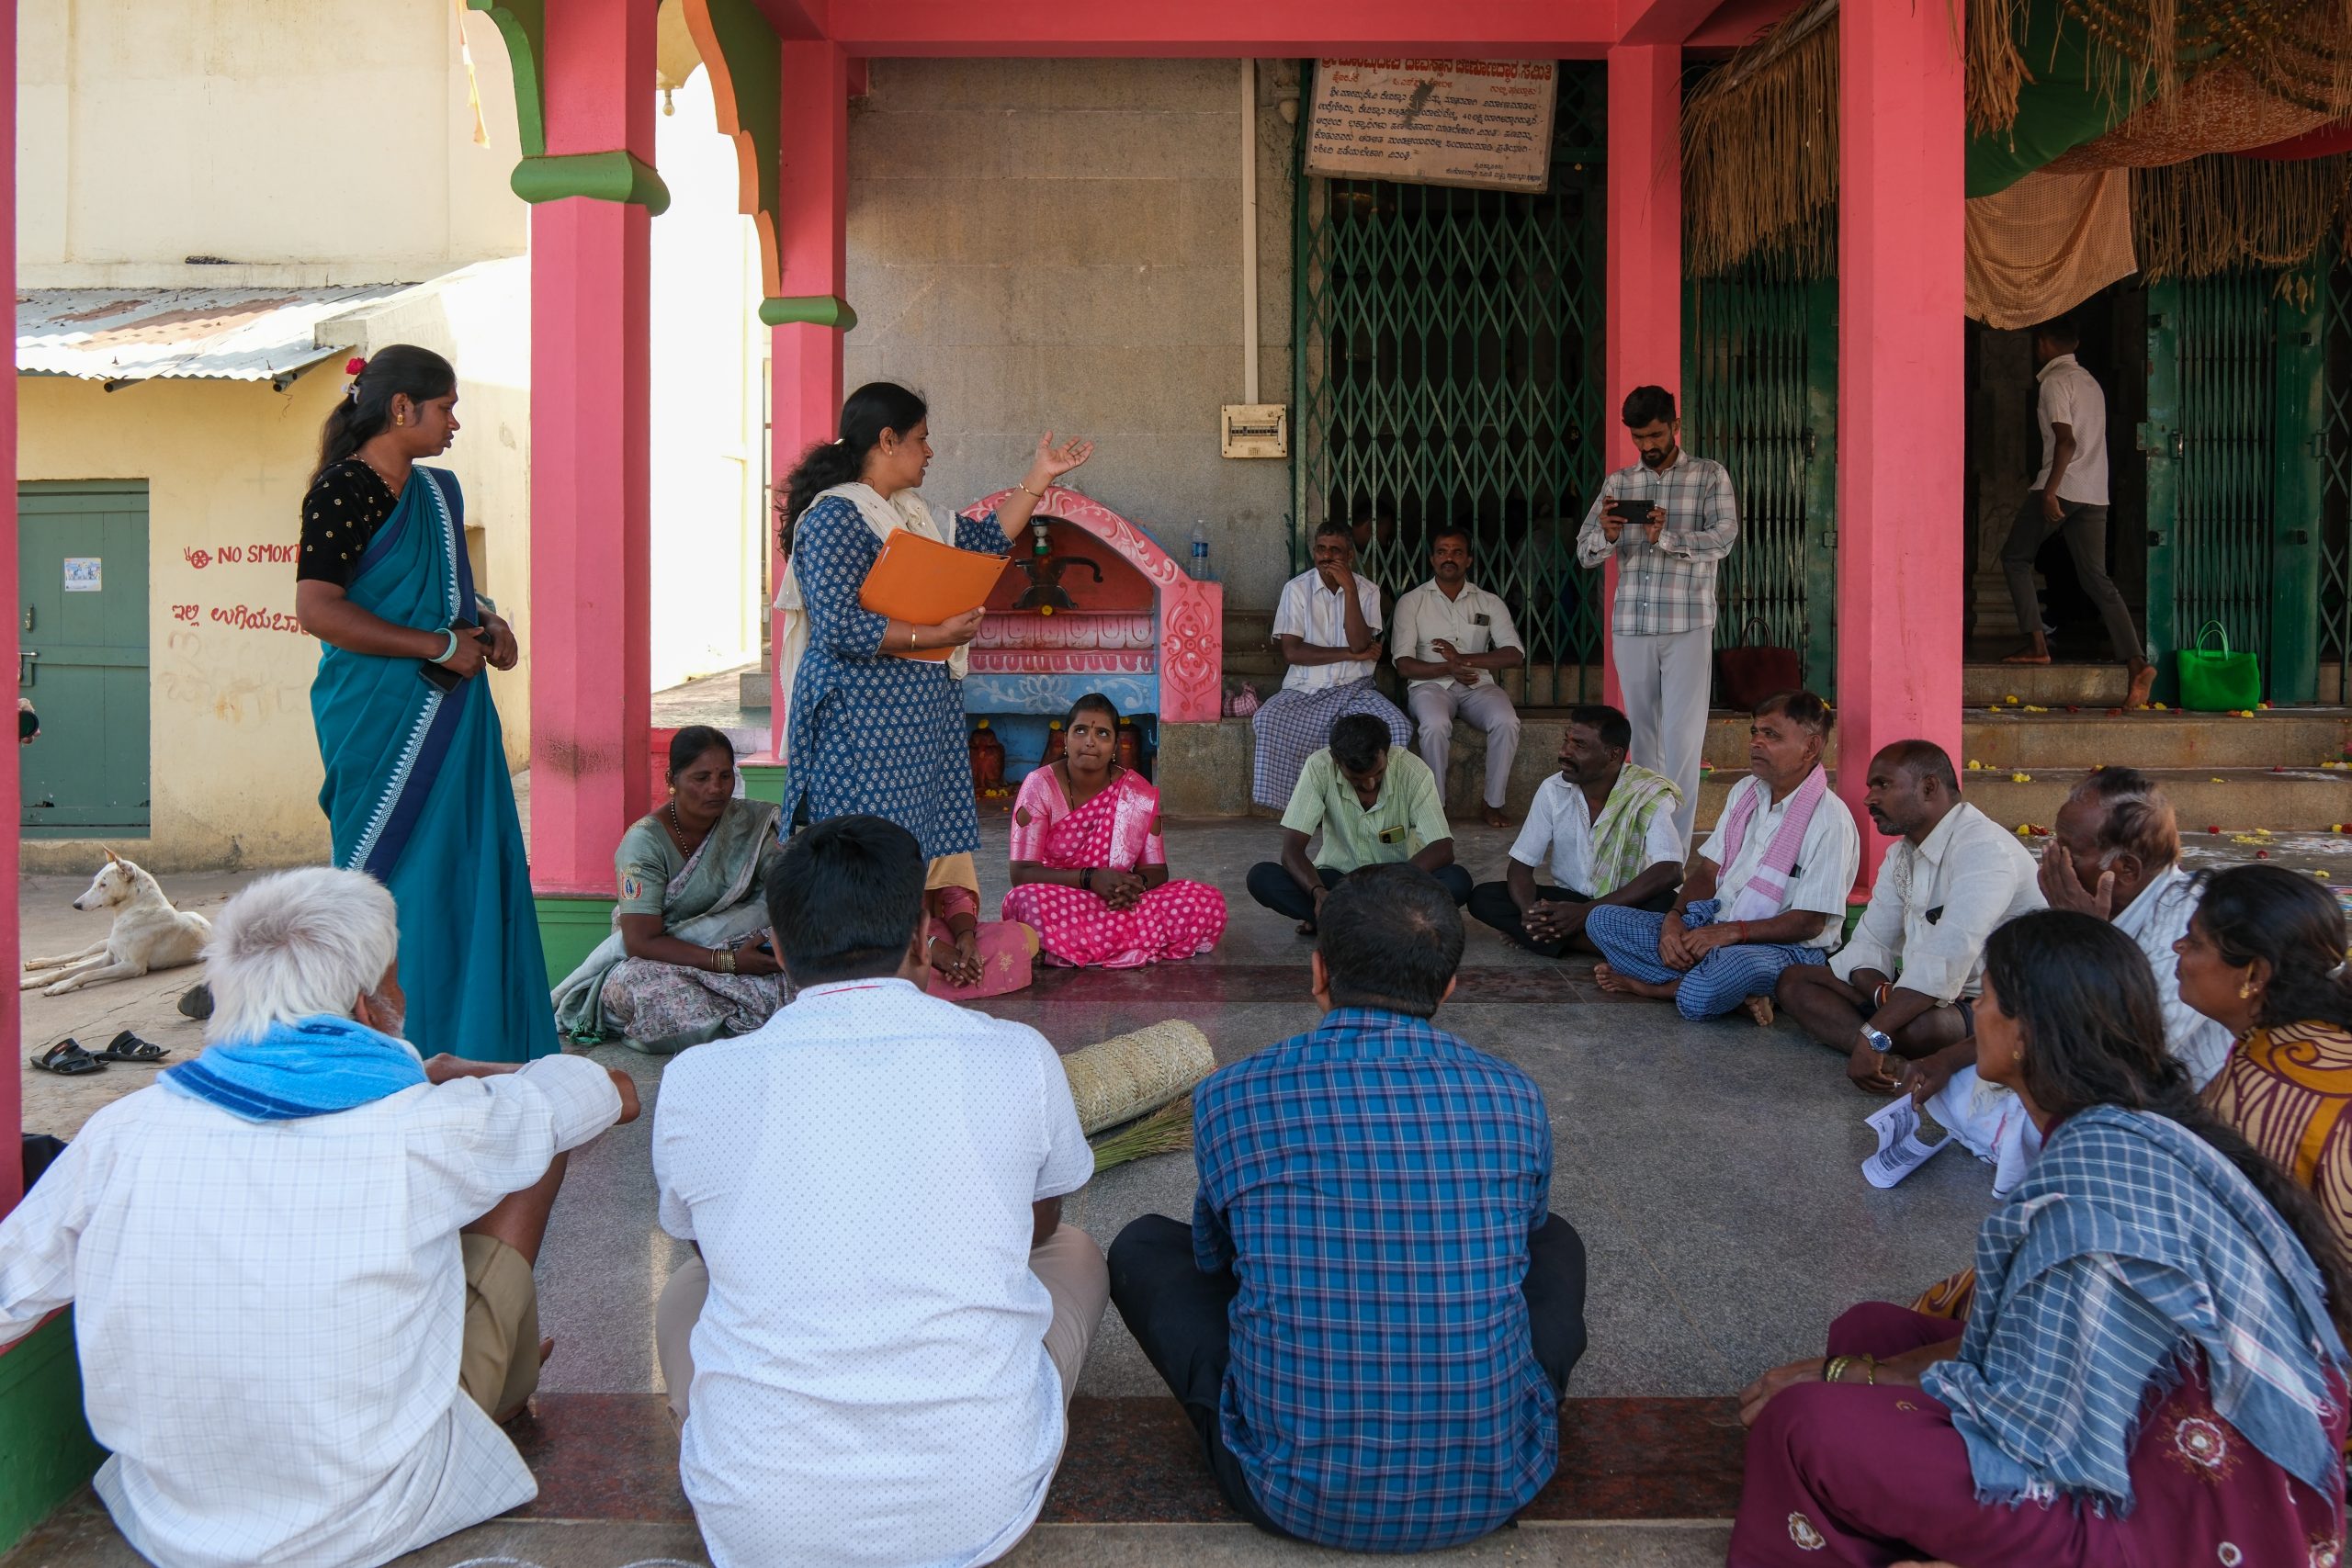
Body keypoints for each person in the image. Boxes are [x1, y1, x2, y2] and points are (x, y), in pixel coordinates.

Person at [0, 866, 636, 1568]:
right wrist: (450, 1072)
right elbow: (613, 1091)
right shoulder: (424, 1127)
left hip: (171, 1515)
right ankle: (505, 1379)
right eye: (395, 981)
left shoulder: (121, 1130)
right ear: (366, 1009)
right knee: (533, 1138)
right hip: (369, 1511)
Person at [1731, 911, 2351, 1566]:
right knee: (1870, 1328)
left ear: (2028, 1034)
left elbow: (2037, 1421)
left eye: (1988, 998)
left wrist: (1850, 1379)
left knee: (1802, 1424)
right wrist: (1866, 1368)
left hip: (2156, 1513)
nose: (1975, 1011)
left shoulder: (2095, 1178)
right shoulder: (2118, 1121)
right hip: (2132, 1436)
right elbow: (2038, 1348)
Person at [651, 815, 1106, 1568]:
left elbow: (709, 1245)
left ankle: (728, 1439)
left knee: (685, 1289)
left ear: (781, 946)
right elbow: (1038, 1225)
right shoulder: (1017, 1055)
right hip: (979, 1505)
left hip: (762, 1524)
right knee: (1080, 1254)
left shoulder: (698, 1080)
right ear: (925, 935)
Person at [1108, 864, 1587, 1551]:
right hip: (1496, 1482)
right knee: (1558, 1244)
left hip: (1286, 1490)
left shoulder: (1232, 1093)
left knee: (1143, 1247)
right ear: (1449, 985)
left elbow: (1218, 1261)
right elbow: (1528, 1234)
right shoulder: (1514, 1095)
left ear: (1317, 972)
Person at [295, 345, 551, 1062]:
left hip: (455, 722)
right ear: (400, 407)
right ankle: (399, 1052)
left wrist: (487, 624)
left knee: (467, 877)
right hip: (382, 722)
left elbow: (454, 597)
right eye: (446, 407)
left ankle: (483, 1043)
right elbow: (317, 609)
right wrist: (436, 647)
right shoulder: (342, 491)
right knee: (396, 892)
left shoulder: (437, 495)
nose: (455, 422)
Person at [775, 380, 1092, 860]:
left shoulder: (912, 514)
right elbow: (839, 625)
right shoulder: (834, 518)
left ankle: (906, 934)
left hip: (910, 725)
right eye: (920, 438)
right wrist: (935, 635)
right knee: (860, 854)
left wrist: (1039, 476)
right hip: (860, 726)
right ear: (887, 441)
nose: (930, 451)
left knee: (906, 855)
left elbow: (986, 541)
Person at [1927, 766, 2236, 1196]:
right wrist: (1949, 1058)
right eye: (2052, 842)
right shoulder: (2099, 902)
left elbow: (2115, 1058)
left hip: (2155, 1108)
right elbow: (2018, 1012)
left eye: (2068, 849)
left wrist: (2082, 937)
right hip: (2091, 1079)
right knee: (1961, 1082)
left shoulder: (2187, 928)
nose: (2051, 860)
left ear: (2125, 870)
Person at [1776, 740, 2042, 1084]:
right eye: (1871, 787)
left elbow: (1946, 959)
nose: (1869, 799)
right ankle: (1886, 1055)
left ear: (1929, 787)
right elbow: (1869, 945)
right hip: (1916, 994)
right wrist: (1883, 996)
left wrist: (1881, 1022)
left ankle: (1873, 1044)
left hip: (1993, 1007)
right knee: (1796, 981)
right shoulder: (1901, 855)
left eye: (1883, 785)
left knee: (1919, 1025)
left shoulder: (1984, 849)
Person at [1585, 692, 1859, 1021]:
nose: (1756, 742)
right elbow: (1707, 873)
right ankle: (1737, 992)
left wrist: (1732, 934)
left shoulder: (1830, 819)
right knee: (1601, 920)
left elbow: (1810, 923)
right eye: (1754, 732)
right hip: (1712, 927)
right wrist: (1673, 921)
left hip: (1785, 951)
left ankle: (1658, 988)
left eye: (1771, 735)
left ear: (1811, 748)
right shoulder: (1745, 791)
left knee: (1710, 987)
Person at [550, 727, 790, 1054]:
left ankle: (706, 1025)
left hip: (738, 949)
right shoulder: (644, 843)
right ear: (672, 780)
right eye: (701, 777)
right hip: (659, 959)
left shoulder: (749, 822)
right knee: (643, 988)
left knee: (797, 963)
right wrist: (729, 963)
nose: (716, 788)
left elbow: (783, 885)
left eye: (724, 776)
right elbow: (640, 941)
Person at [1574, 386, 1738, 848]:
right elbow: (1585, 553)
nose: (1647, 446)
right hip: (1632, 623)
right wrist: (1606, 536)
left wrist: (1666, 537)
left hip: (1687, 624)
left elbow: (1724, 539)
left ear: (1675, 426)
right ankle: (1650, 844)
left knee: (1684, 741)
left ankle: (1676, 855)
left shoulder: (1710, 476)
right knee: (1642, 738)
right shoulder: (1619, 483)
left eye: (1655, 434)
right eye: (1639, 438)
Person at [2184, 863, 2352, 1259]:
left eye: (2194, 943)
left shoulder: (2248, 1097)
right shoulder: (2319, 1039)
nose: (2178, 949)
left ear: (2255, 974)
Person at [1003, 692, 1226, 968]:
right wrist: (1090, 878)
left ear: (1115, 745)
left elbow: (1157, 870)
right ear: (1065, 739)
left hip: (1119, 901)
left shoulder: (1137, 792)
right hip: (1061, 896)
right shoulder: (1039, 786)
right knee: (1024, 902)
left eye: (1103, 733)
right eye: (1081, 730)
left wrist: (1133, 886)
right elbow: (1021, 873)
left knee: (1204, 901)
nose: (1090, 741)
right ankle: (1133, 941)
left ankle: (1078, 946)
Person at [2001, 314, 2155, 709]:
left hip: (2063, 486)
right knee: (2098, 579)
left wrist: (2050, 491)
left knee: (2016, 557)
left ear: (2043, 345)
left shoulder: (2055, 382)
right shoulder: (2090, 383)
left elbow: (2065, 442)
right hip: (2094, 491)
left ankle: (2037, 644)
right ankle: (2137, 663)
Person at [1466, 705, 1681, 957]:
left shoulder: (1646, 793)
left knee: (1667, 907)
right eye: (1566, 740)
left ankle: (1559, 938)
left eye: (1579, 746)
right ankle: (1606, 944)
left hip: (1625, 904)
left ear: (1613, 755)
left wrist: (1587, 912)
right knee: (1484, 897)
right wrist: (1529, 914)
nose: (1564, 752)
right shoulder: (1553, 789)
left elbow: (1671, 870)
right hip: (1570, 901)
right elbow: (1521, 865)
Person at [1245, 712, 1470, 934]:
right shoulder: (1319, 767)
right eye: (1356, 779)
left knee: (1457, 881)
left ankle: (1340, 924)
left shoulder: (1414, 772)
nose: (1370, 785)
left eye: (1378, 773)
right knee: (1262, 877)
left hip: (1397, 887)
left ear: (1387, 752)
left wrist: (1389, 884)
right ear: (1335, 759)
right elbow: (1292, 851)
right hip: (1340, 881)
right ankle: (1384, 925)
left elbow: (1442, 847)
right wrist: (1319, 893)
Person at [1250, 519, 1413, 810]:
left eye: (1335, 550)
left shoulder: (1368, 591)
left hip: (1355, 690)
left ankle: (1377, 805)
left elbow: (1362, 644)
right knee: (1267, 719)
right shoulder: (1296, 589)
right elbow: (1293, 652)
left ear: (1350, 556)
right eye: (1321, 549)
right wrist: (1350, 655)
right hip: (1305, 691)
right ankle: (1298, 809)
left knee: (1397, 727)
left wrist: (1350, 591)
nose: (1327, 556)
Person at [1391, 527, 1525, 829]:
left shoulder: (1489, 602)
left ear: (1469, 560)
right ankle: (1436, 806)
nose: (1448, 558)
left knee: (1507, 722)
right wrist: (1447, 668)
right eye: (1442, 551)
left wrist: (1463, 660)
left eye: (1457, 552)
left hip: (1478, 685)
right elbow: (1403, 664)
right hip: (1430, 686)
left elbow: (1514, 654)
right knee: (1435, 725)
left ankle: (1493, 802)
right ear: (1432, 559)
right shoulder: (1412, 602)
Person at [922, 852, 1039, 1000]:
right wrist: (929, 947)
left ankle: (955, 972)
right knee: (895, 965)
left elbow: (957, 897)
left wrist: (965, 937)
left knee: (1024, 938)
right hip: (892, 944)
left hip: (928, 929)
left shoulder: (943, 829)